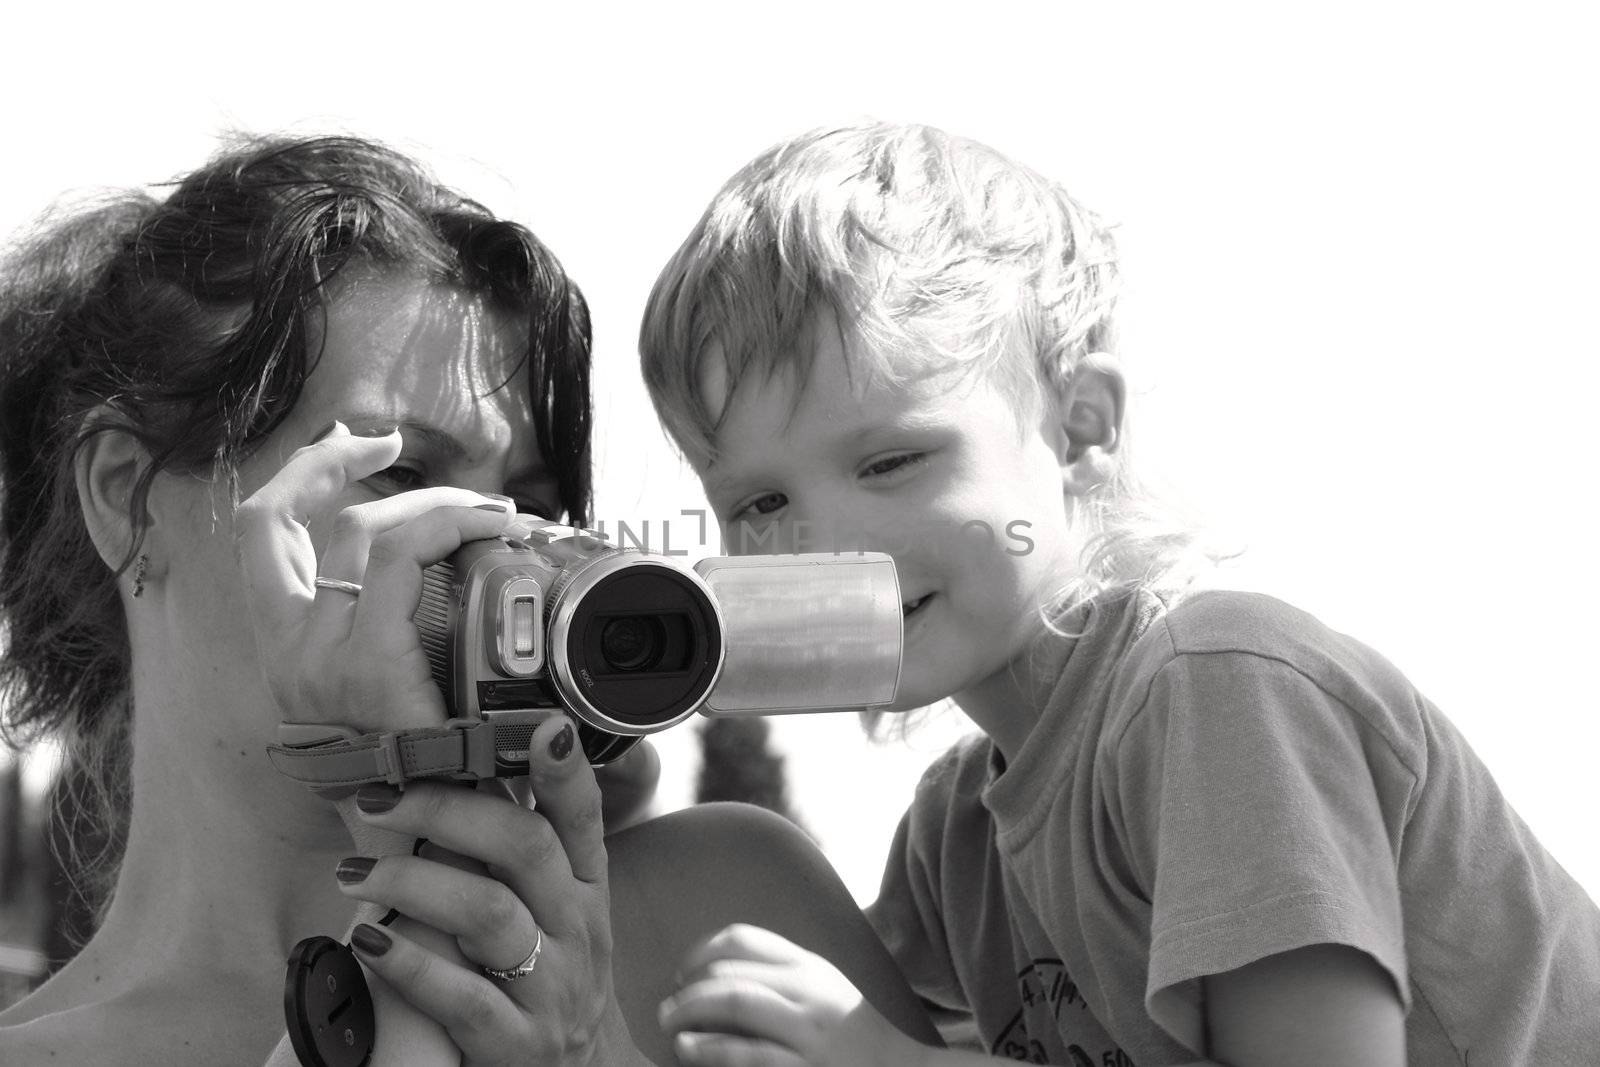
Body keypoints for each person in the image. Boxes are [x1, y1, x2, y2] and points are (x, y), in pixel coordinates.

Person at [639, 121, 1600, 1066]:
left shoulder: (1220, 692)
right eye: (761, 501)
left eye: (892, 460)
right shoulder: (956, 841)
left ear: (1081, 428)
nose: (826, 545)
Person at [0, 133, 938, 1065]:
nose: (484, 544)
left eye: (530, 504)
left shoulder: (735, 909)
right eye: (401, 471)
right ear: (125, 495)